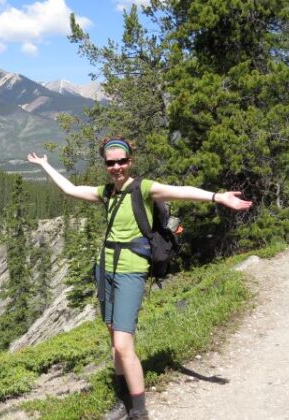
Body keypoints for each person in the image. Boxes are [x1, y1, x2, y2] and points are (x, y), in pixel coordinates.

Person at [27, 137, 252, 420]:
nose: (117, 167)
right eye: (111, 163)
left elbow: (180, 191)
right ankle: (124, 401)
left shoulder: (143, 188)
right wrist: (46, 166)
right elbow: (70, 189)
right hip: (105, 268)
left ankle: (140, 412)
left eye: (122, 161)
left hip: (131, 271)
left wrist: (218, 197)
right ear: (105, 165)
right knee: (113, 339)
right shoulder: (107, 192)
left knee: (123, 344)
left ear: (130, 161)